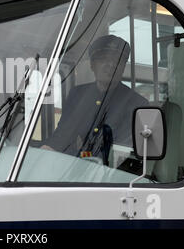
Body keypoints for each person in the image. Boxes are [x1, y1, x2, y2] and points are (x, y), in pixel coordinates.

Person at [41, 35, 148, 165]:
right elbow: (64, 133)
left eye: (117, 60)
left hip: (115, 171)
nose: (111, 65)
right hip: (77, 166)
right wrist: (47, 150)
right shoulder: (77, 94)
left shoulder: (138, 104)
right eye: (104, 59)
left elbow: (127, 149)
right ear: (92, 65)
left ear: (123, 66)